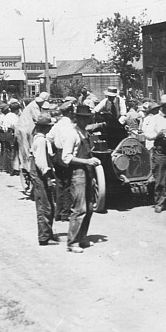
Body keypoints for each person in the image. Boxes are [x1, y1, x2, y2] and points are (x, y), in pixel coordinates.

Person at [61, 105, 102, 253]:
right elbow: (66, 157)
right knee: (79, 208)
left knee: (90, 208)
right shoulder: (73, 134)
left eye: (87, 118)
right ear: (77, 118)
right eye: (83, 118)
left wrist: (92, 160)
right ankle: (72, 242)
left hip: (88, 172)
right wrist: (87, 162)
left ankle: (82, 237)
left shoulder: (85, 133)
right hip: (77, 173)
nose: (85, 121)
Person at [47, 101, 77, 223]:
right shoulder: (70, 126)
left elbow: (48, 138)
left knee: (59, 184)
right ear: (70, 112)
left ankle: (58, 213)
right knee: (68, 184)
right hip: (66, 155)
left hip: (58, 155)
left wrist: (51, 152)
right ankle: (66, 212)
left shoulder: (57, 125)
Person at [30, 114, 57, 245]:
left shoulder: (42, 139)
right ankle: (43, 236)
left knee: (50, 205)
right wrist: (47, 178)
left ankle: (48, 232)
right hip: (40, 175)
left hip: (43, 174)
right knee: (44, 207)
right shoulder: (40, 141)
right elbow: (41, 162)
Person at [16, 91, 49, 179]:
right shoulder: (34, 106)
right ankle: (27, 169)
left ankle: (28, 167)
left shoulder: (36, 104)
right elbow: (39, 118)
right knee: (27, 149)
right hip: (24, 128)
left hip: (27, 127)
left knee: (29, 147)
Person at [3, 100, 21, 175]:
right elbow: (16, 126)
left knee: (8, 150)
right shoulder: (15, 117)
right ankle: (12, 169)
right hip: (12, 132)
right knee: (13, 151)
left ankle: (8, 167)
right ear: (16, 110)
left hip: (6, 133)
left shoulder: (7, 115)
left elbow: (4, 125)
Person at [0, 102, 9, 172]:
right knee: (5, 150)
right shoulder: (4, 117)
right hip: (3, 133)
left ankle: (2, 165)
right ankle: (4, 166)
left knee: (2, 150)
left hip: (0, 134)